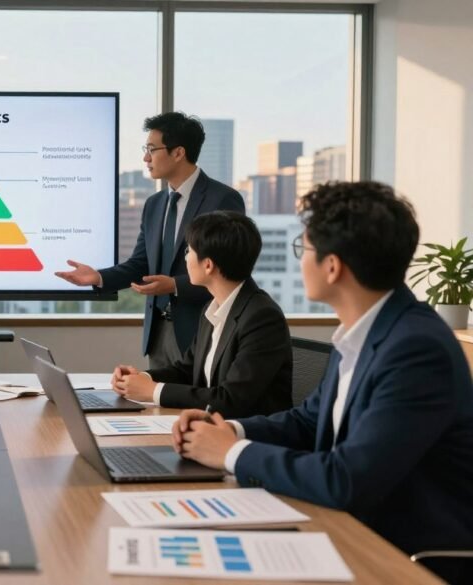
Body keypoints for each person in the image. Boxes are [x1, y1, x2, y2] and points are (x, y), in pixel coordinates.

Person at [172, 182, 473, 582]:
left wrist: (232, 453)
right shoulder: (366, 330)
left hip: (402, 556)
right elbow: (310, 421)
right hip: (348, 529)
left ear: (333, 267)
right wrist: (230, 429)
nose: (300, 261)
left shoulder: (415, 349)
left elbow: (346, 478)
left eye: (304, 249)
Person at [57, 112, 245, 368]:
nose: (146, 157)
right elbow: (141, 264)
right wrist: (99, 277)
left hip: (201, 329)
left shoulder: (222, 199)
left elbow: (229, 272)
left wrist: (174, 285)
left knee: (194, 404)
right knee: (157, 404)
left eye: (151, 149)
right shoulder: (155, 204)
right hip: (158, 333)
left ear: (178, 152)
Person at [111, 211, 292, 418]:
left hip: (248, 437)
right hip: (211, 428)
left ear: (208, 265)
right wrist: (140, 378)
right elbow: (187, 370)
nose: (186, 257)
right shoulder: (212, 308)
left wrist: (153, 391)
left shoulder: (261, 318)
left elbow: (230, 400)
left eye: (189, 250)